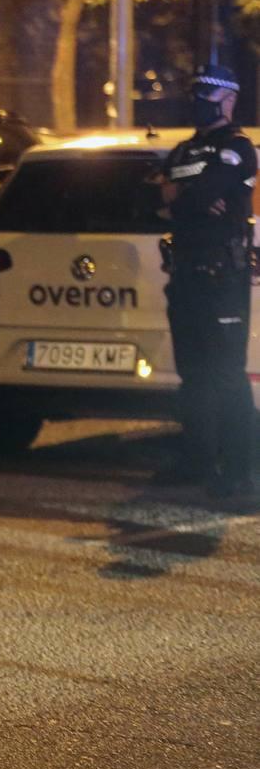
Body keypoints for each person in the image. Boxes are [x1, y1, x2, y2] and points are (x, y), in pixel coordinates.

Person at [152, 64, 257, 499]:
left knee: (228, 376)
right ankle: (195, 459)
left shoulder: (238, 147)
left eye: (205, 97)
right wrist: (186, 196)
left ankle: (239, 469)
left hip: (222, 277)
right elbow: (157, 198)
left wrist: (184, 195)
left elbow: (193, 195)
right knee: (192, 374)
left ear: (228, 100)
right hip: (186, 275)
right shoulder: (182, 150)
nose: (196, 104)